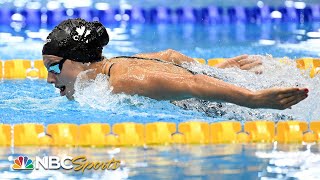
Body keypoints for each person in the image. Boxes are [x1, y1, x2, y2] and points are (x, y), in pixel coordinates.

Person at [42, 18, 309, 110]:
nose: (50, 78)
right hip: (228, 88)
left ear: (79, 59)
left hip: (233, 107)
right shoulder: (116, 65)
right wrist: (218, 72)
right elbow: (170, 56)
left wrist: (253, 99)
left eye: (53, 67)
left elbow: (191, 83)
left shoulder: (122, 80)